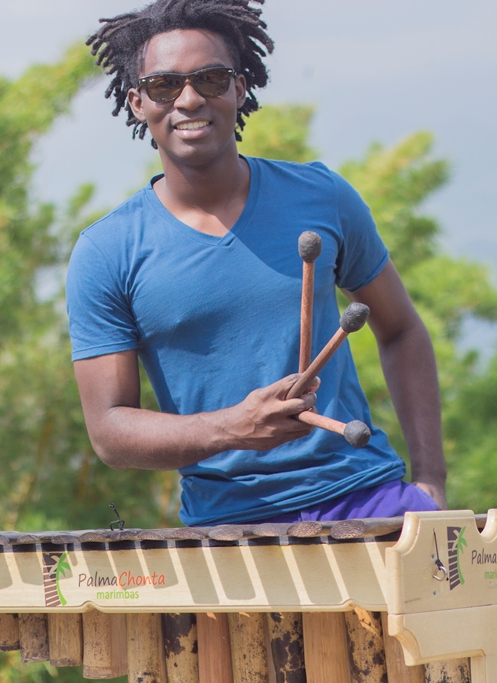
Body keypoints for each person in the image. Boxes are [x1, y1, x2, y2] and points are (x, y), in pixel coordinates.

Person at [67, 0, 446, 526]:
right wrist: (233, 427)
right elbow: (109, 433)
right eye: (164, 86)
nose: (190, 99)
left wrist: (431, 482)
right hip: (229, 534)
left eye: (211, 79)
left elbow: (401, 328)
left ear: (240, 88)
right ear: (137, 102)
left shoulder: (322, 197)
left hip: (370, 503)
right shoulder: (107, 251)